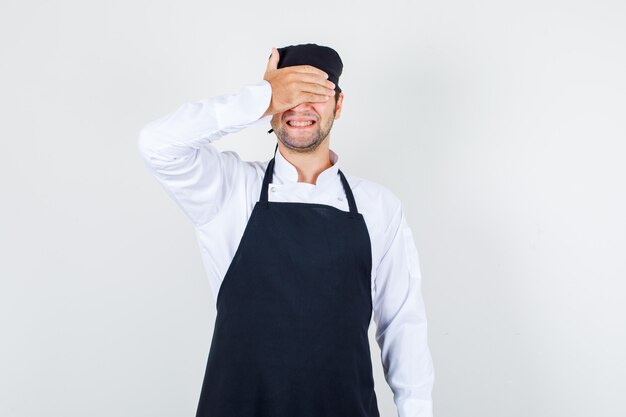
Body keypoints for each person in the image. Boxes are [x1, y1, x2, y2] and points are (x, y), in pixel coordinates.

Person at [137, 43, 434, 417]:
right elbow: (157, 144)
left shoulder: (379, 206)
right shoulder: (229, 191)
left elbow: (402, 323)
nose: (301, 107)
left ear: (338, 106)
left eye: (316, 94)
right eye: (291, 95)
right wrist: (261, 97)